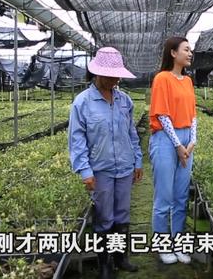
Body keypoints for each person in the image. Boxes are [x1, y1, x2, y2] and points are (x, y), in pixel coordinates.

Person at [68, 47, 143, 279]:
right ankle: (104, 264)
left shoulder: (125, 101)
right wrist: (84, 170)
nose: (115, 80)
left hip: (124, 167)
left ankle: (121, 258)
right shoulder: (82, 103)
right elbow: (77, 139)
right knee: (104, 217)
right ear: (97, 74)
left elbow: (131, 133)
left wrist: (137, 160)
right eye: (110, 75)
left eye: (117, 76)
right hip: (99, 170)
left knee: (122, 215)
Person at [149, 37, 197, 265]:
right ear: (173, 53)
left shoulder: (187, 81)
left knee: (181, 197)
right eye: (186, 49)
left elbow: (193, 114)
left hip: (186, 139)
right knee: (164, 198)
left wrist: (192, 141)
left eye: (190, 50)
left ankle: (178, 244)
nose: (190, 53)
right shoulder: (162, 79)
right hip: (166, 140)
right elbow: (161, 114)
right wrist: (178, 145)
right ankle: (162, 245)